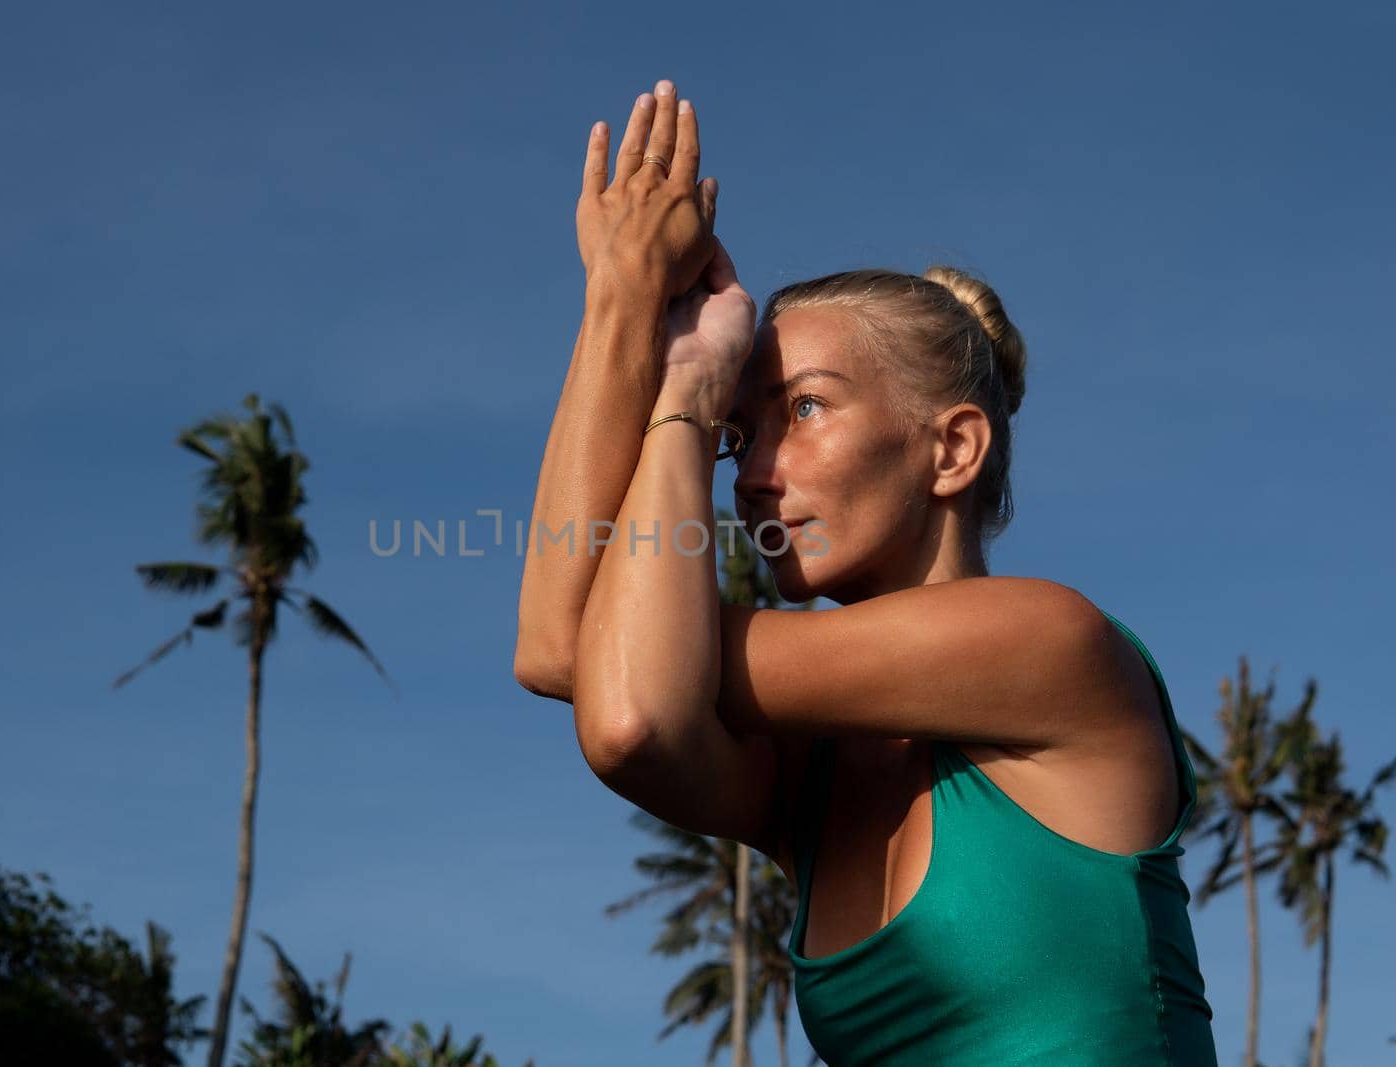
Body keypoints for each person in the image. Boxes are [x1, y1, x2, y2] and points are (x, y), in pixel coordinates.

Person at [513, 78, 1218, 1066]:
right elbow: (559, 651)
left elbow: (615, 690)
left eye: (800, 410)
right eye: (735, 434)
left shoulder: (1053, 645)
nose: (753, 473)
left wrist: (677, 386)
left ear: (952, 450)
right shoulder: (808, 774)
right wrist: (619, 304)